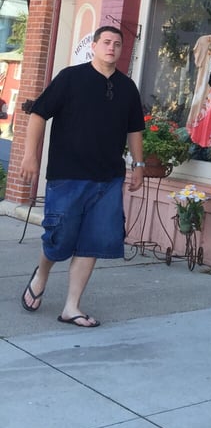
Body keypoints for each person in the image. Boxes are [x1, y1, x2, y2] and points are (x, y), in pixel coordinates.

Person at [20, 26, 146, 327]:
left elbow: (135, 130)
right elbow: (38, 114)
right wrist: (30, 156)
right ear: (93, 46)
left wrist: (138, 165)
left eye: (117, 44)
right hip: (68, 175)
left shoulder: (127, 88)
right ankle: (42, 273)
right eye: (106, 42)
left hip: (108, 179)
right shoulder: (70, 78)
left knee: (93, 243)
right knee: (58, 239)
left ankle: (71, 307)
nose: (111, 48)